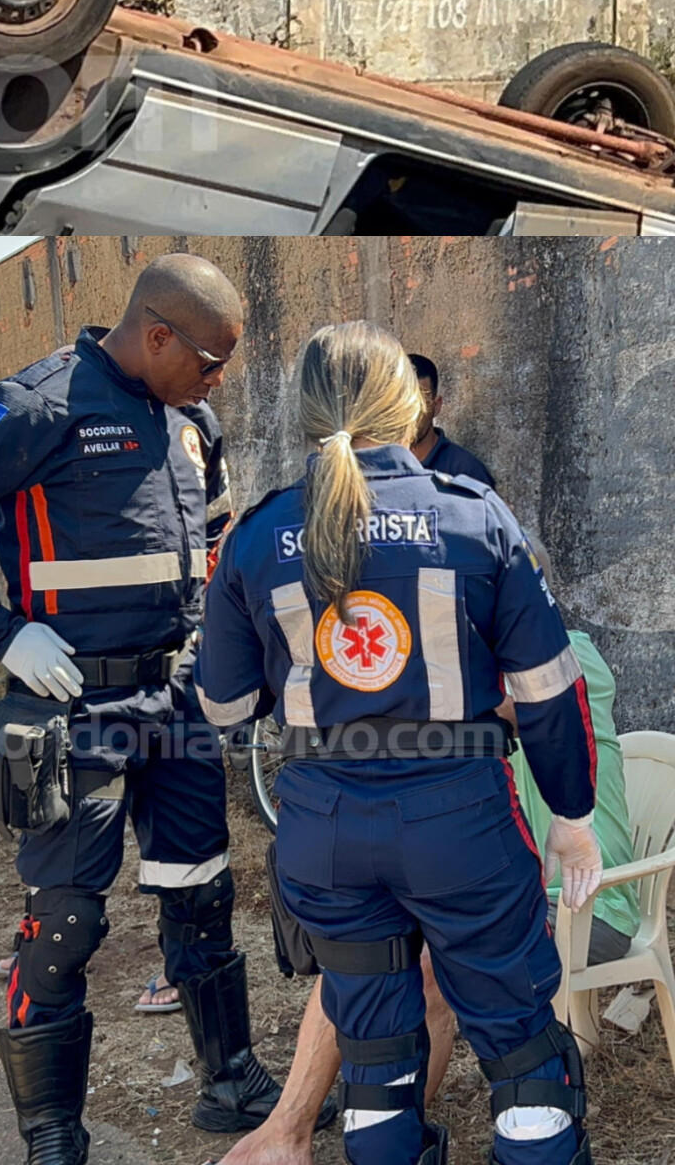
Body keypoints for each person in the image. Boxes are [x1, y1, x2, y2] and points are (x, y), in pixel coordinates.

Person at [0, 253, 280, 1162]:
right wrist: (2, 632)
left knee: (202, 894)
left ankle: (229, 1082)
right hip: (75, 707)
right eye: (210, 360)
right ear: (157, 335)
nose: (218, 379)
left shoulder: (192, 421)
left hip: (176, 702)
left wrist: (217, 647)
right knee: (65, 922)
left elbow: (215, 534)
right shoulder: (38, 403)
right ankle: (52, 1130)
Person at [196, 321, 603, 1165]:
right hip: (459, 824)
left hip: (323, 830)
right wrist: (571, 814)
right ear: (410, 405)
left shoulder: (256, 536)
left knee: (376, 1061)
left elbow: (224, 706)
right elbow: (547, 688)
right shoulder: (471, 514)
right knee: (521, 1052)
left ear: (304, 411)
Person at [218, 621, 636, 1165]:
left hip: (587, 900)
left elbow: (511, 703)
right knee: (369, 947)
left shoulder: (563, 651)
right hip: (490, 880)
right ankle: (322, 1126)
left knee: (425, 962)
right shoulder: (457, 665)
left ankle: (362, 1126)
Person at [406, 355, 497, 490]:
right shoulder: (378, 467)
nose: (410, 412)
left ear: (436, 406)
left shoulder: (466, 472)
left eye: (419, 402)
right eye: (401, 402)